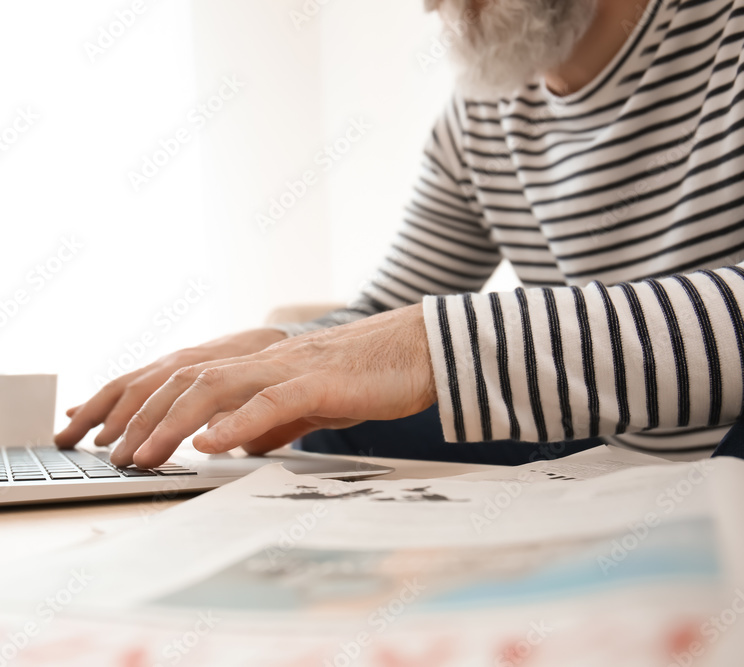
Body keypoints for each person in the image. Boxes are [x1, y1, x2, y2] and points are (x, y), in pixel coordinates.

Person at [55, 0, 744, 469]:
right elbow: (390, 310)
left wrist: (435, 340)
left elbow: (422, 338)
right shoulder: (481, 116)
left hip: (718, 456)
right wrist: (282, 349)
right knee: (323, 414)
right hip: (609, 461)